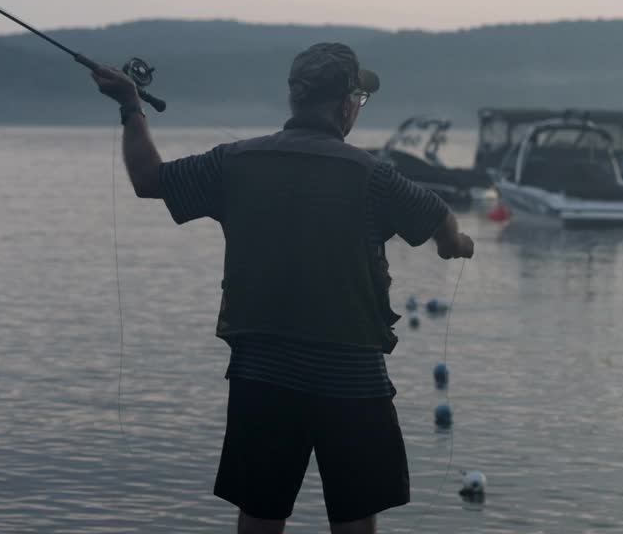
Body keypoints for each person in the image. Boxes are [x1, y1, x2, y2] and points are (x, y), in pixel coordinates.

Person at [92, 42, 475, 534]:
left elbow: (148, 179)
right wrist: (457, 246)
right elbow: (441, 220)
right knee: (355, 519)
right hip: (351, 376)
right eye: (359, 100)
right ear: (345, 106)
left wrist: (130, 105)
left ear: (296, 99)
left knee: (260, 513)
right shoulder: (374, 176)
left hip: (262, 373)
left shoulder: (234, 162)